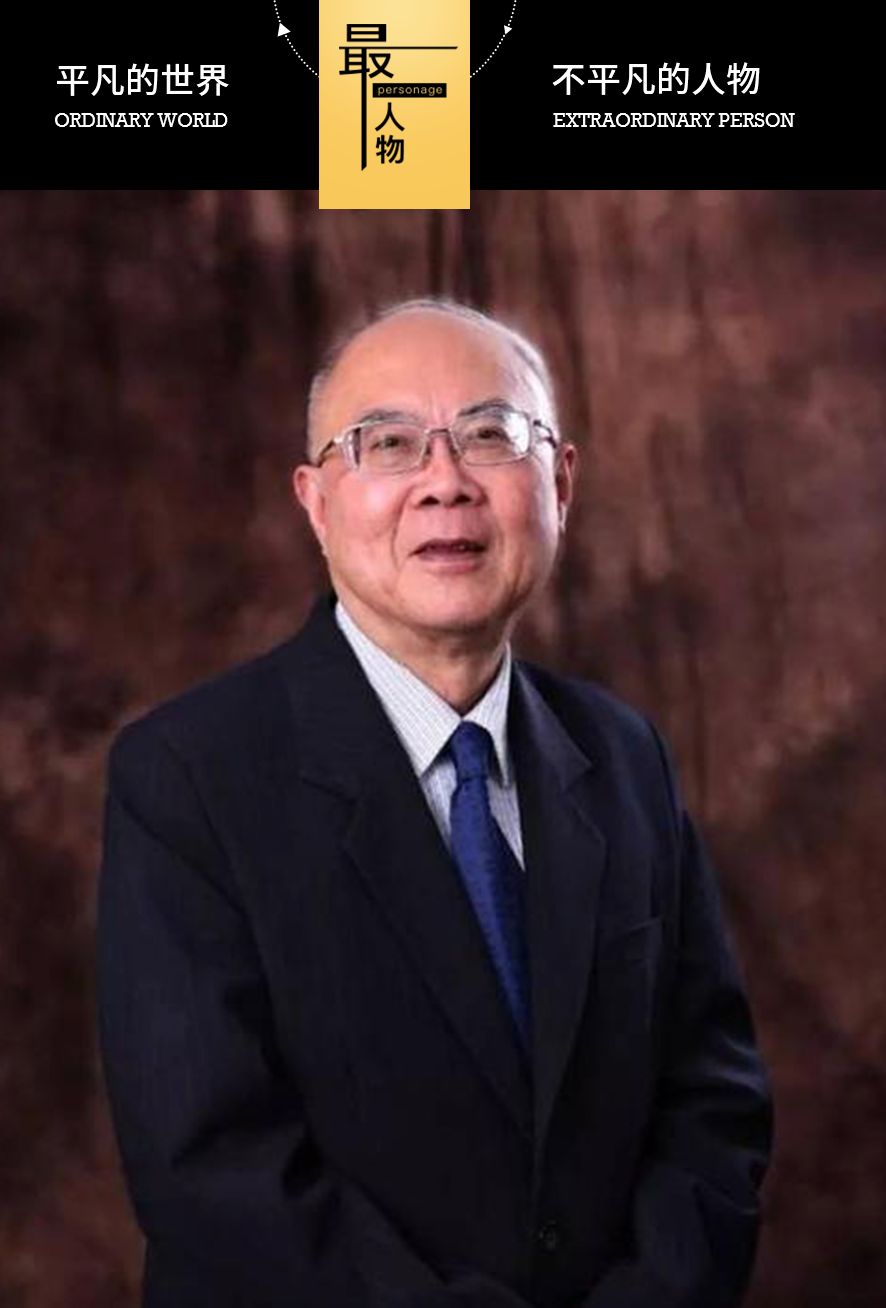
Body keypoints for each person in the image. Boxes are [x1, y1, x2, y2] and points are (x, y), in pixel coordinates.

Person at [98, 298, 773, 1308]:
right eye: (388, 443)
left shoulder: (626, 757)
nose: (445, 482)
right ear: (316, 501)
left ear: (560, 483)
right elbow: (214, 1171)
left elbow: (712, 1105)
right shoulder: (187, 778)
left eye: (491, 436)